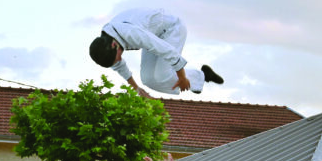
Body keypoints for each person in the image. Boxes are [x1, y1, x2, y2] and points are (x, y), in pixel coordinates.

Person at [89, 8, 223, 97]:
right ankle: (203, 76)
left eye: (117, 58)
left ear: (114, 45)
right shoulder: (107, 43)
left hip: (171, 29)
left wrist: (182, 78)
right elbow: (118, 66)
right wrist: (138, 90)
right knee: (148, 80)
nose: (119, 60)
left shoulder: (131, 33)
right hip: (153, 35)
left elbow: (168, 51)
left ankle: (201, 76)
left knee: (161, 75)